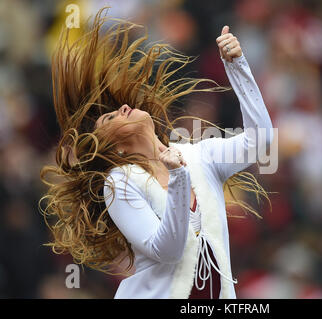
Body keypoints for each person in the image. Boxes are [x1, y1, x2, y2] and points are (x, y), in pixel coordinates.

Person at [40, 8, 273, 299]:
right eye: (110, 119)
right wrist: (177, 178)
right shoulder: (120, 180)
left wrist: (238, 67)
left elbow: (259, 140)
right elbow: (167, 250)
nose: (121, 109)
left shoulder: (201, 155)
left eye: (117, 109)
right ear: (118, 149)